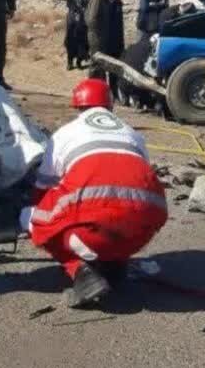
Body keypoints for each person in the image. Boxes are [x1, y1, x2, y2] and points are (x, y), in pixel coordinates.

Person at [20, 79, 168, 307]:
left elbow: (43, 187)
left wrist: (43, 222)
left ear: (78, 106)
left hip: (95, 226)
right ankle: (115, 263)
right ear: (110, 106)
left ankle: (81, 273)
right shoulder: (132, 134)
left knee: (31, 216)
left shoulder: (65, 133)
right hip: (141, 231)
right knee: (120, 210)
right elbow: (137, 179)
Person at [87, 0, 124, 93]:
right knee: (97, 67)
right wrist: (100, 35)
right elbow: (91, 21)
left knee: (110, 66)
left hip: (109, 40)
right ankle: (96, 92)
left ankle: (109, 92)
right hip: (98, 40)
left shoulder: (111, 1)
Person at [64, 0, 92, 70]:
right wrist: (77, 10)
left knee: (83, 43)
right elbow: (69, 4)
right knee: (71, 42)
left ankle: (79, 62)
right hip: (72, 22)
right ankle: (70, 63)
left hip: (84, 22)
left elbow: (91, 5)